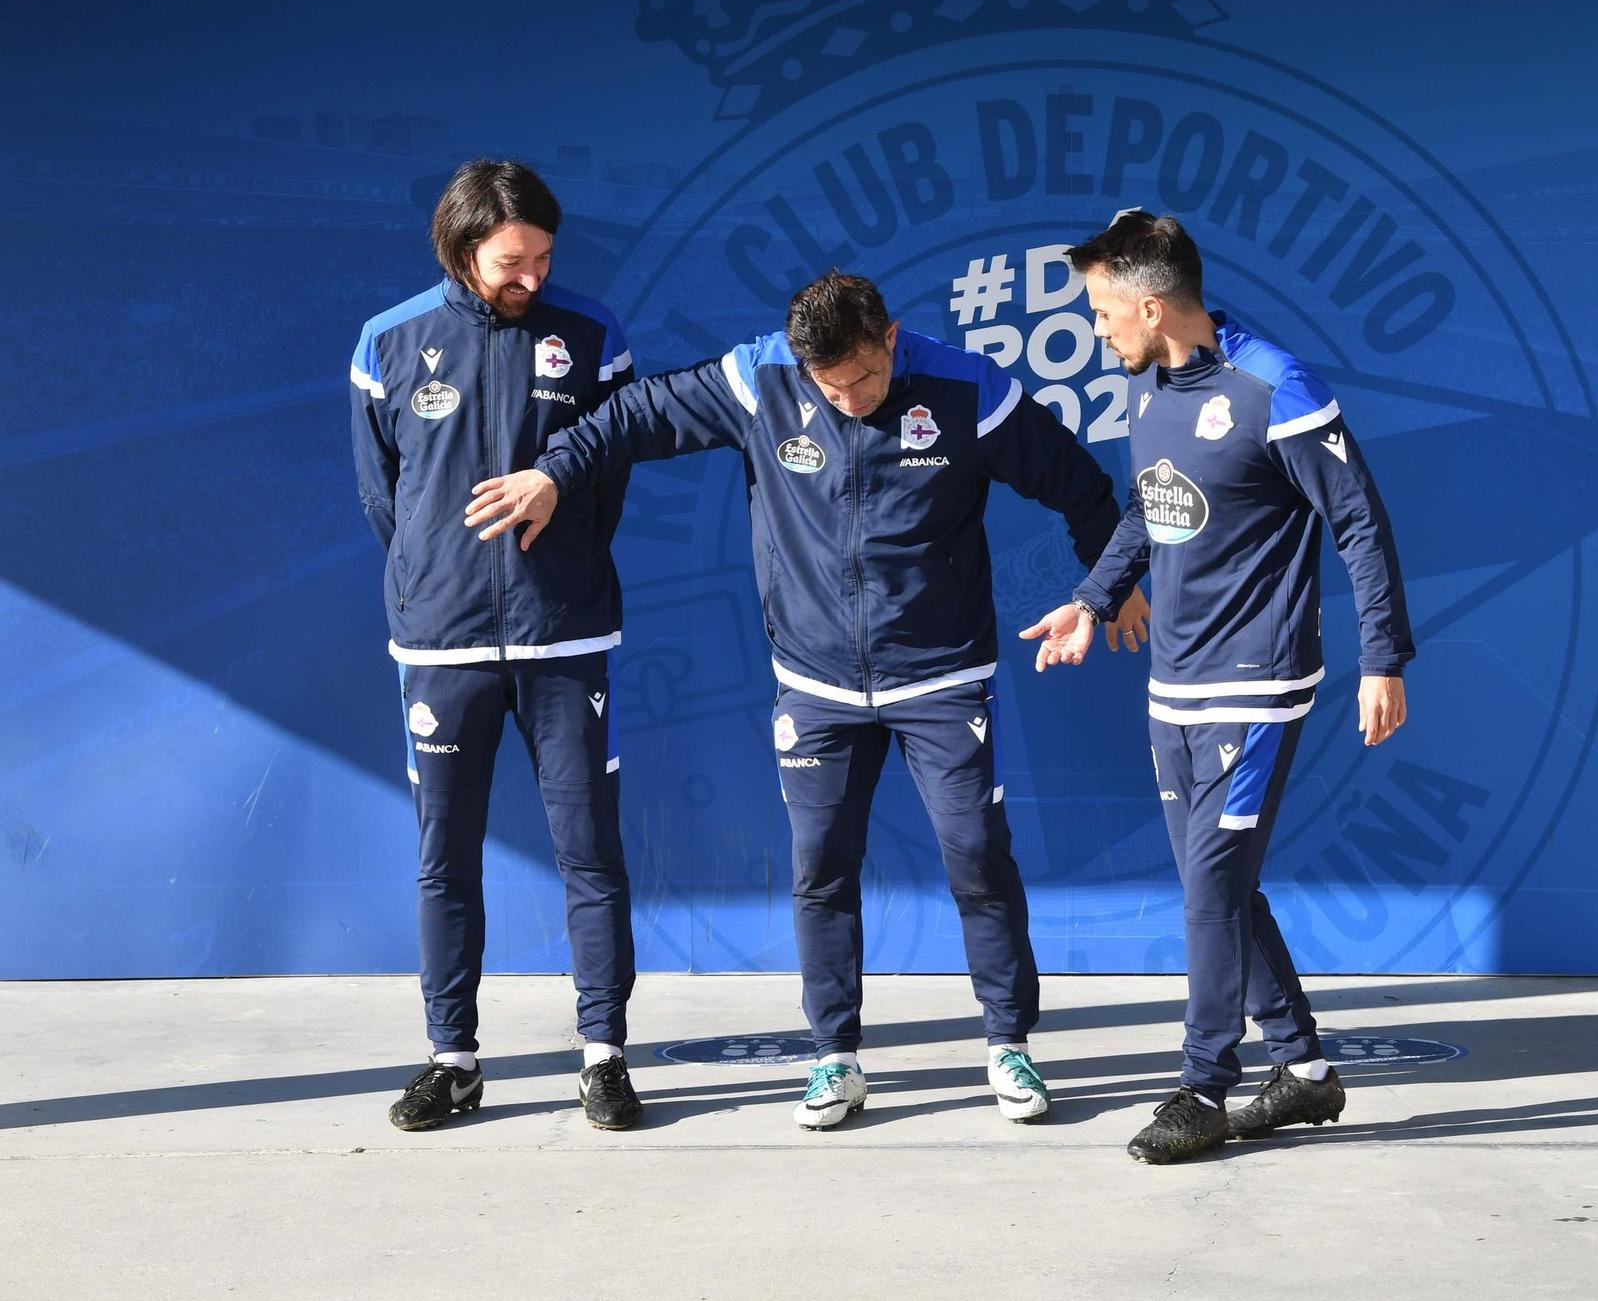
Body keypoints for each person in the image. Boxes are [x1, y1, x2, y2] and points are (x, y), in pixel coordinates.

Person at [466, 272, 1148, 1129]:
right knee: (820, 870)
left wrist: (1108, 586)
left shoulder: (968, 388)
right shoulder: (761, 380)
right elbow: (634, 418)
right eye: (831, 388)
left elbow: (1080, 484)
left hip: (940, 677)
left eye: (863, 378)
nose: (851, 400)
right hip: (816, 684)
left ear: (891, 338)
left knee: (977, 855)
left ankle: (1008, 1042)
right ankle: (835, 1057)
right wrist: (554, 473)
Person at [1023, 210, 1415, 1164]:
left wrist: (1384, 658)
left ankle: (1204, 1084)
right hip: (1174, 684)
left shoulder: (1276, 386)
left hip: (1259, 683)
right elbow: (1148, 512)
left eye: (1106, 310)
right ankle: (1306, 1072)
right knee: (1223, 889)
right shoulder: (1150, 386)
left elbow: (1358, 521)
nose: (1099, 328)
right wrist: (1091, 600)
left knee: (1209, 891)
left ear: (1154, 306)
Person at [349, 159, 643, 1132]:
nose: (531, 279)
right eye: (512, 262)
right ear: (461, 248)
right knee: (446, 859)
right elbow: (384, 497)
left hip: (564, 638)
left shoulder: (592, 338)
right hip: (443, 646)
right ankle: (454, 1058)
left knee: (589, 852)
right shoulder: (387, 342)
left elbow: (606, 488)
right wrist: (440, 574)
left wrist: (548, 571)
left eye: (544, 259)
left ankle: (603, 1055)